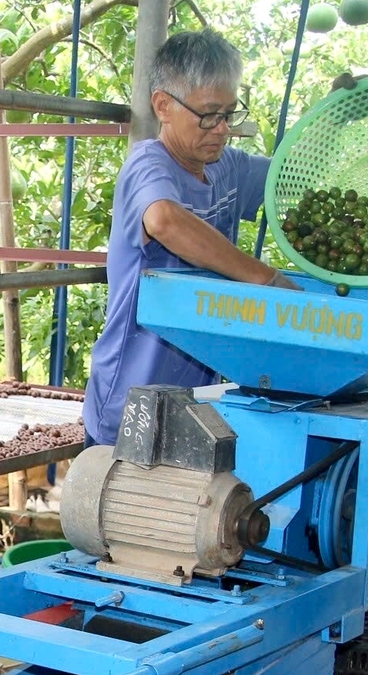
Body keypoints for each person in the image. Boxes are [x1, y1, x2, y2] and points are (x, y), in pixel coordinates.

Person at [81, 30, 296, 445]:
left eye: (229, 114)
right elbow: (165, 220)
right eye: (209, 114)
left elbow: (295, 178)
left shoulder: (227, 170)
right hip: (129, 407)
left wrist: (334, 123)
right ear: (163, 105)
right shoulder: (148, 164)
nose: (222, 129)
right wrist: (264, 278)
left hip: (194, 406)